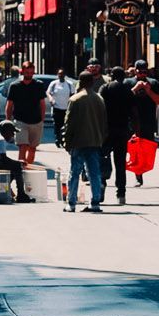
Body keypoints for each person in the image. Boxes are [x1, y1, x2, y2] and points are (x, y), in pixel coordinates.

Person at [62, 72, 107, 213]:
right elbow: (104, 123)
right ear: (92, 82)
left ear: (80, 82)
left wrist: (66, 141)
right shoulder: (99, 99)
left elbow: (68, 123)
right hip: (94, 141)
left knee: (74, 172)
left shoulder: (75, 99)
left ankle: (71, 203)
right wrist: (101, 139)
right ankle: (95, 202)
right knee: (94, 173)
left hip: (78, 141)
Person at [100, 66, 134, 204]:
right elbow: (134, 111)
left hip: (107, 130)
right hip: (122, 130)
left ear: (112, 75)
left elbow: (99, 108)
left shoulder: (105, 88)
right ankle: (121, 193)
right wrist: (135, 130)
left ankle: (101, 185)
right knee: (120, 163)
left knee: (102, 158)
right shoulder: (128, 90)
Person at [4, 62, 49, 167]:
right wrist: (8, 121)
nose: (29, 74)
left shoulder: (39, 85)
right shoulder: (15, 86)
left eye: (31, 72)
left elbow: (42, 104)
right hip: (20, 121)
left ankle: (28, 169)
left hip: (36, 121)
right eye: (27, 72)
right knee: (23, 146)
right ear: (22, 71)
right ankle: (21, 170)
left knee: (32, 149)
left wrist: (42, 120)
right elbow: (9, 104)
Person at [0, 121, 35, 203]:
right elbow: (3, 159)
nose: (13, 135)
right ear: (6, 131)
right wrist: (18, 163)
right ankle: (21, 195)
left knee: (14, 167)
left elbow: (2, 158)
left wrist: (17, 162)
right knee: (16, 167)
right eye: (12, 133)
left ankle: (7, 190)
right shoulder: (0, 140)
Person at [128, 62, 159, 187]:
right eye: (139, 71)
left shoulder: (153, 83)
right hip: (131, 121)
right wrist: (135, 89)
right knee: (133, 149)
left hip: (148, 121)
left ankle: (140, 171)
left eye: (144, 72)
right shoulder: (128, 83)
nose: (142, 74)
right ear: (135, 71)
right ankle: (137, 176)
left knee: (146, 151)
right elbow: (124, 99)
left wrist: (149, 91)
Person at [46, 69, 75, 149]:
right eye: (59, 74)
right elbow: (48, 92)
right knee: (57, 125)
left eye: (62, 74)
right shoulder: (54, 84)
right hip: (57, 108)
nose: (60, 76)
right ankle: (57, 139)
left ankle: (64, 140)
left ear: (64, 75)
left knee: (65, 125)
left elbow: (73, 94)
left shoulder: (69, 84)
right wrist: (51, 99)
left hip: (66, 108)